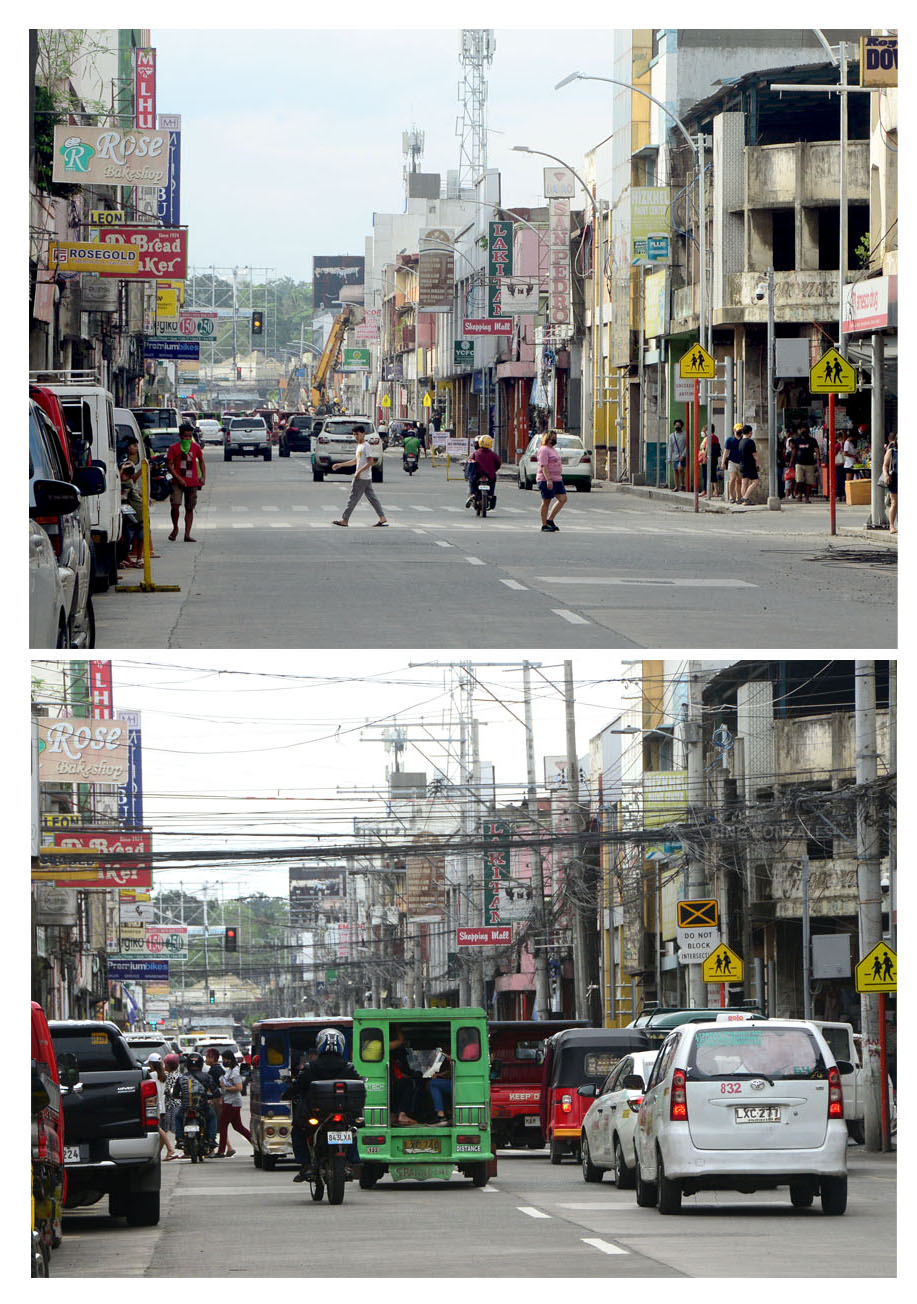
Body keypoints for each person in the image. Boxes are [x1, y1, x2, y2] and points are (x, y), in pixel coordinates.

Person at [281, 1028, 361, 1183]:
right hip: (343, 1113)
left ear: (320, 1045)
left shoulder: (311, 1068)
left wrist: (287, 1094)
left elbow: (297, 1087)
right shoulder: (349, 1068)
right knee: (351, 1130)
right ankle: (352, 1160)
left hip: (316, 1115)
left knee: (297, 1131)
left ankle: (306, 1165)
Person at [331, 425, 388, 527]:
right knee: (373, 499)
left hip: (362, 478)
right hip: (365, 477)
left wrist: (358, 472)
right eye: (354, 434)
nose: (356, 436)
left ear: (363, 434)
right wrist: (341, 465)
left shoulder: (366, 446)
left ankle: (345, 520)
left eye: (357, 434)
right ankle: (382, 518)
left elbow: (371, 462)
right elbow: (356, 461)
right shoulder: (360, 446)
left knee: (352, 498)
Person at [166, 420, 206, 542]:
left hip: (192, 482)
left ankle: (187, 534)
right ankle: (175, 528)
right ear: (180, 436)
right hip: (177, 482)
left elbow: (201, 462)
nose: (187, 438)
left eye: (190, 436)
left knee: (190, 508)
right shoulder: (173, 448)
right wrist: (178, 478)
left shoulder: (196, 447)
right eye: (185, 436)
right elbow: (169, 466)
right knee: (175, 505)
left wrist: (203, 477)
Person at [171, 1052, 220, 1151]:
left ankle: (179, 1138)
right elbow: (216, 1092)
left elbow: (175, 1094)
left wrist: (182, 1097)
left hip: (186, 1107)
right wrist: (209, 1097)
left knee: (178, 1117)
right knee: (212, 1116)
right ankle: (211, 1139)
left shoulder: (181, 1078)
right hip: (203, 1107)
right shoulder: (207, 1077)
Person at [216, 1050, 252, 1157]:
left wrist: (225, 1087)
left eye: (225, 1059)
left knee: (222, 1124)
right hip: (229, 1100)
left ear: (230, 1059)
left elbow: (239, 1087)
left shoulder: (235, 1072)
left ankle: (221, 1151)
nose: (224, 1062)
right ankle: (256, 1145)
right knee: (238, 1126)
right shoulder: (230, 1071)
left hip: (232, 1102)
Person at [146, 1055, 178, 1160]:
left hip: (155, 1106)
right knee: (162, 1130)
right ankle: (157, 1155)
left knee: (158, 1129)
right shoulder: (164, 1075)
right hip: (163, 1106)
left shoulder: (151, 1075)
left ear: (152, 1064)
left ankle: (170, 1149)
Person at [536, 430, 567, 532]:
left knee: (563, 498)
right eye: (552, 437)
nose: (554, 439)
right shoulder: (544, 450)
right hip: (546, 479)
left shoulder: (553, 449)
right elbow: (544, 466)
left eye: (555, 437)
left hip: (557, 479)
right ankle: (544, 524)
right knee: (546, 501)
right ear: (547, 438)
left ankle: (550, 520)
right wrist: (548, 480)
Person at [466, 435, 501, 510]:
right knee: (492, 482)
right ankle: (491, 495)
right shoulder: (493, 454)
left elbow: (470, 462)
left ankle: (472, 494)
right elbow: (498, 463)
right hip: (490, 475)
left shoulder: (476, 453)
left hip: (477, 475)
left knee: (472, 481)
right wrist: (494, 470)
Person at [789, 422, 821, 503]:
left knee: (809, 482)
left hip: (810, 464)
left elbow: (817, 451)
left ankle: (807, 498)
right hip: (799, 463)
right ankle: (799, 494)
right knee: (799, 481)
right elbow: (794, 451)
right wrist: (791, 462)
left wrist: (818, 460)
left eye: (805, 429)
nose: (803, 430)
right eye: (802, 429)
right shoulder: (797, 440)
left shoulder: (812, 440)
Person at [162, 1053, 182, 1157]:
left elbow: (169, 1090)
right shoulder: (180, 1074)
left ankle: (173, 1149)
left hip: (172, 1104)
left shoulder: (170, 1076)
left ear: (169, 1066)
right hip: (180, 1103)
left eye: (165, 1064)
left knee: (171, 1128)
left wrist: (166, 1092)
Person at [738, 424, 760, 504]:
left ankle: (744, 501)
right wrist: (759, 464)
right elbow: (754, 454)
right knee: (756, 482)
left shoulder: (740, 442)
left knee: (744, 482)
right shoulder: (750, 442)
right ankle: (745, 497)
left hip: (742, 465)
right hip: (750, 465)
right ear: (750, 432)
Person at [723, 423, 744, 503]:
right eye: (738, 430)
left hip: (741, 462)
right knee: (732, 479)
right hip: (732, 461)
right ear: (734, 430)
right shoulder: (730, 440)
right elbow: (726, 451)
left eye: (740, 430)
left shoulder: (743, 440)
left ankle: (738, 497)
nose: (739, 432)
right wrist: (723, 462)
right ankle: (731, 496)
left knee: (739, 480)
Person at [881, 432, 898, 533]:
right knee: (895, 503)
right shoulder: (892, 451)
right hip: (895, 479)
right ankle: (891, 526)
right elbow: (885, 465)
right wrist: (886, 475)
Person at [698, 423, 720, 498]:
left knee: (708, 476)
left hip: (709, 459)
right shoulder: (715, 437)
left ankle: (709, 491)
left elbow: (707, 448)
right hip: (713, 459)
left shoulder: (710, 437)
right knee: (712, 475)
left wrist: (704, 458)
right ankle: (714, 491)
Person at [668, 419, 687, 491]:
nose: (677, 427)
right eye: (676, 425)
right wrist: (669, 458)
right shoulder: (671, 436)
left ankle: (682, 483)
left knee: (680, 469)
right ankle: (676, 486)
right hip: (674, 456)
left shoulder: (685, 434)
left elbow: (687, 446)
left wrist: (683, 455)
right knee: (675, 471)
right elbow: (670, 447)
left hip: (682, 456)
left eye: (678, 425)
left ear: (681, 426)